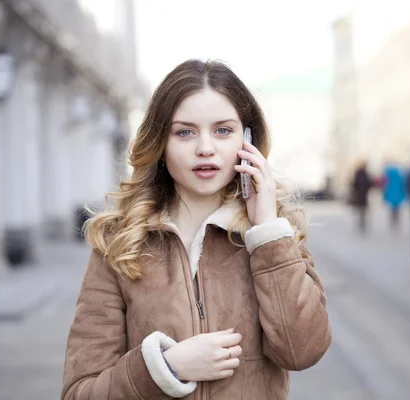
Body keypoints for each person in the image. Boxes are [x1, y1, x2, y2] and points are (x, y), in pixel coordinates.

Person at [61, 60, 332, 400]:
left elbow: (301, 351)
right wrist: (165, 368)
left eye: (223, 130)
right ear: (161, 144)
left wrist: (266, 231)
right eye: (185, 132)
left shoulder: (274, 235)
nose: (205, 147)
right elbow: (79, 392)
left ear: (247, 141)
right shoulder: (120, 243)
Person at [382, 162, 406, 230]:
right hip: (398, 195)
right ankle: (396, 219)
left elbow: (385, 187)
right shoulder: (400, 176)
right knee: (397, 208)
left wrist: (385, 195)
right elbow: (403, 186)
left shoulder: (389, 176)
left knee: (392, 208)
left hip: (391, 195)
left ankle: (393, 219)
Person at [350, 161, 373, 231]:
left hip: (360, 195)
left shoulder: (358, 173)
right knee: (362, 210)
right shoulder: (364, 174)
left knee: (361, 210)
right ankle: (362, 222)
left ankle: (361, 222)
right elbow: (369, 184)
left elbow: (354, 184)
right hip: (362, 195)